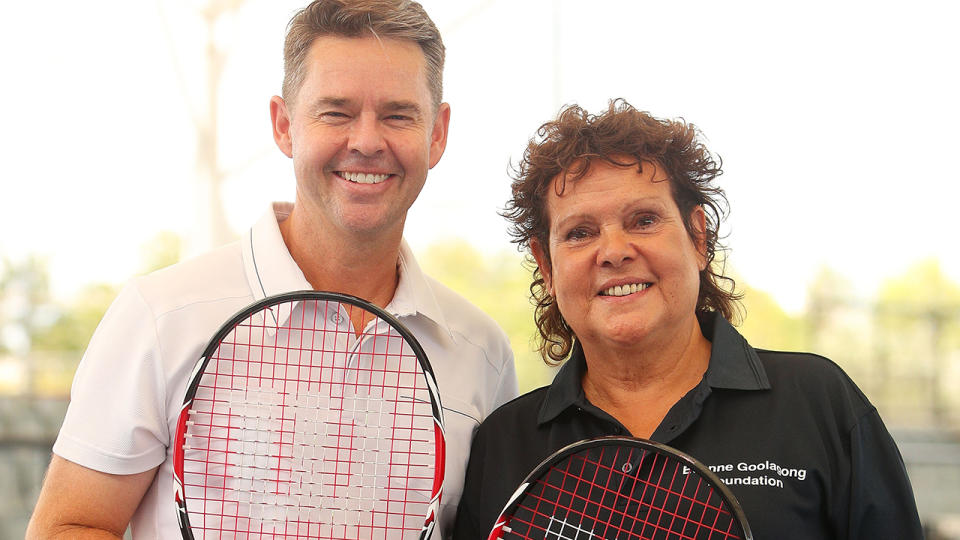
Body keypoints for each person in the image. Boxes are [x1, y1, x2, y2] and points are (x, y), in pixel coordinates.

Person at [27, 1, 517, 538]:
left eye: (398, 115)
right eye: (337, 112)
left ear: (438, 133)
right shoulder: (161, 315)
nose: (368, 141)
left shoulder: (482, 353)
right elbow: (69, 526)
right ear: (284, 126)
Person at [453, 99, 922, 539]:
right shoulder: (503, 444)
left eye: (643, 220)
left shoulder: (819, 402)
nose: (614, 251)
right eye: (580, 232)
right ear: (546, 266)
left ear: (698, 237)